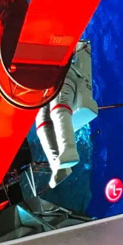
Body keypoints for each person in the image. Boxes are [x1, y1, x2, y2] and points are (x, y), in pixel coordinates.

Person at [35, 41, 96, 188]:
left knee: (59, 109)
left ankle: (69, 149)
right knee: (42, 123)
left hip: (66, 76)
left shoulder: (65, 41)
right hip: (48, 82)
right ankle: (58, 166)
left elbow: (82, 48)